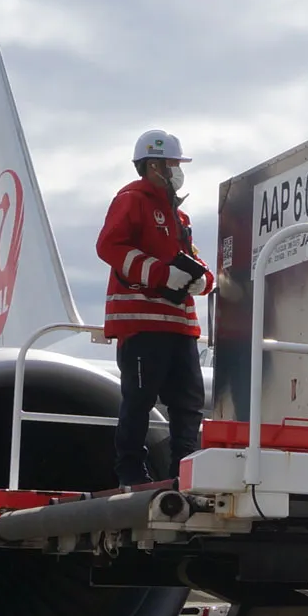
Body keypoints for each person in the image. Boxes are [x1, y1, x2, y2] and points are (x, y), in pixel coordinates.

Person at [97, 129, 215, 487]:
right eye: (173, 164)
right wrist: (161, 275)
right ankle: (131, 472)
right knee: (139, 398)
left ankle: (182, 471)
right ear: (153, 165)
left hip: (179, 326)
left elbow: (194, 260)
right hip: (142, 324)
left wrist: (202, 280)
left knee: (188, 402)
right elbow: (110, 246)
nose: (178, 171)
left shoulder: (180, 218)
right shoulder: (131, 200)